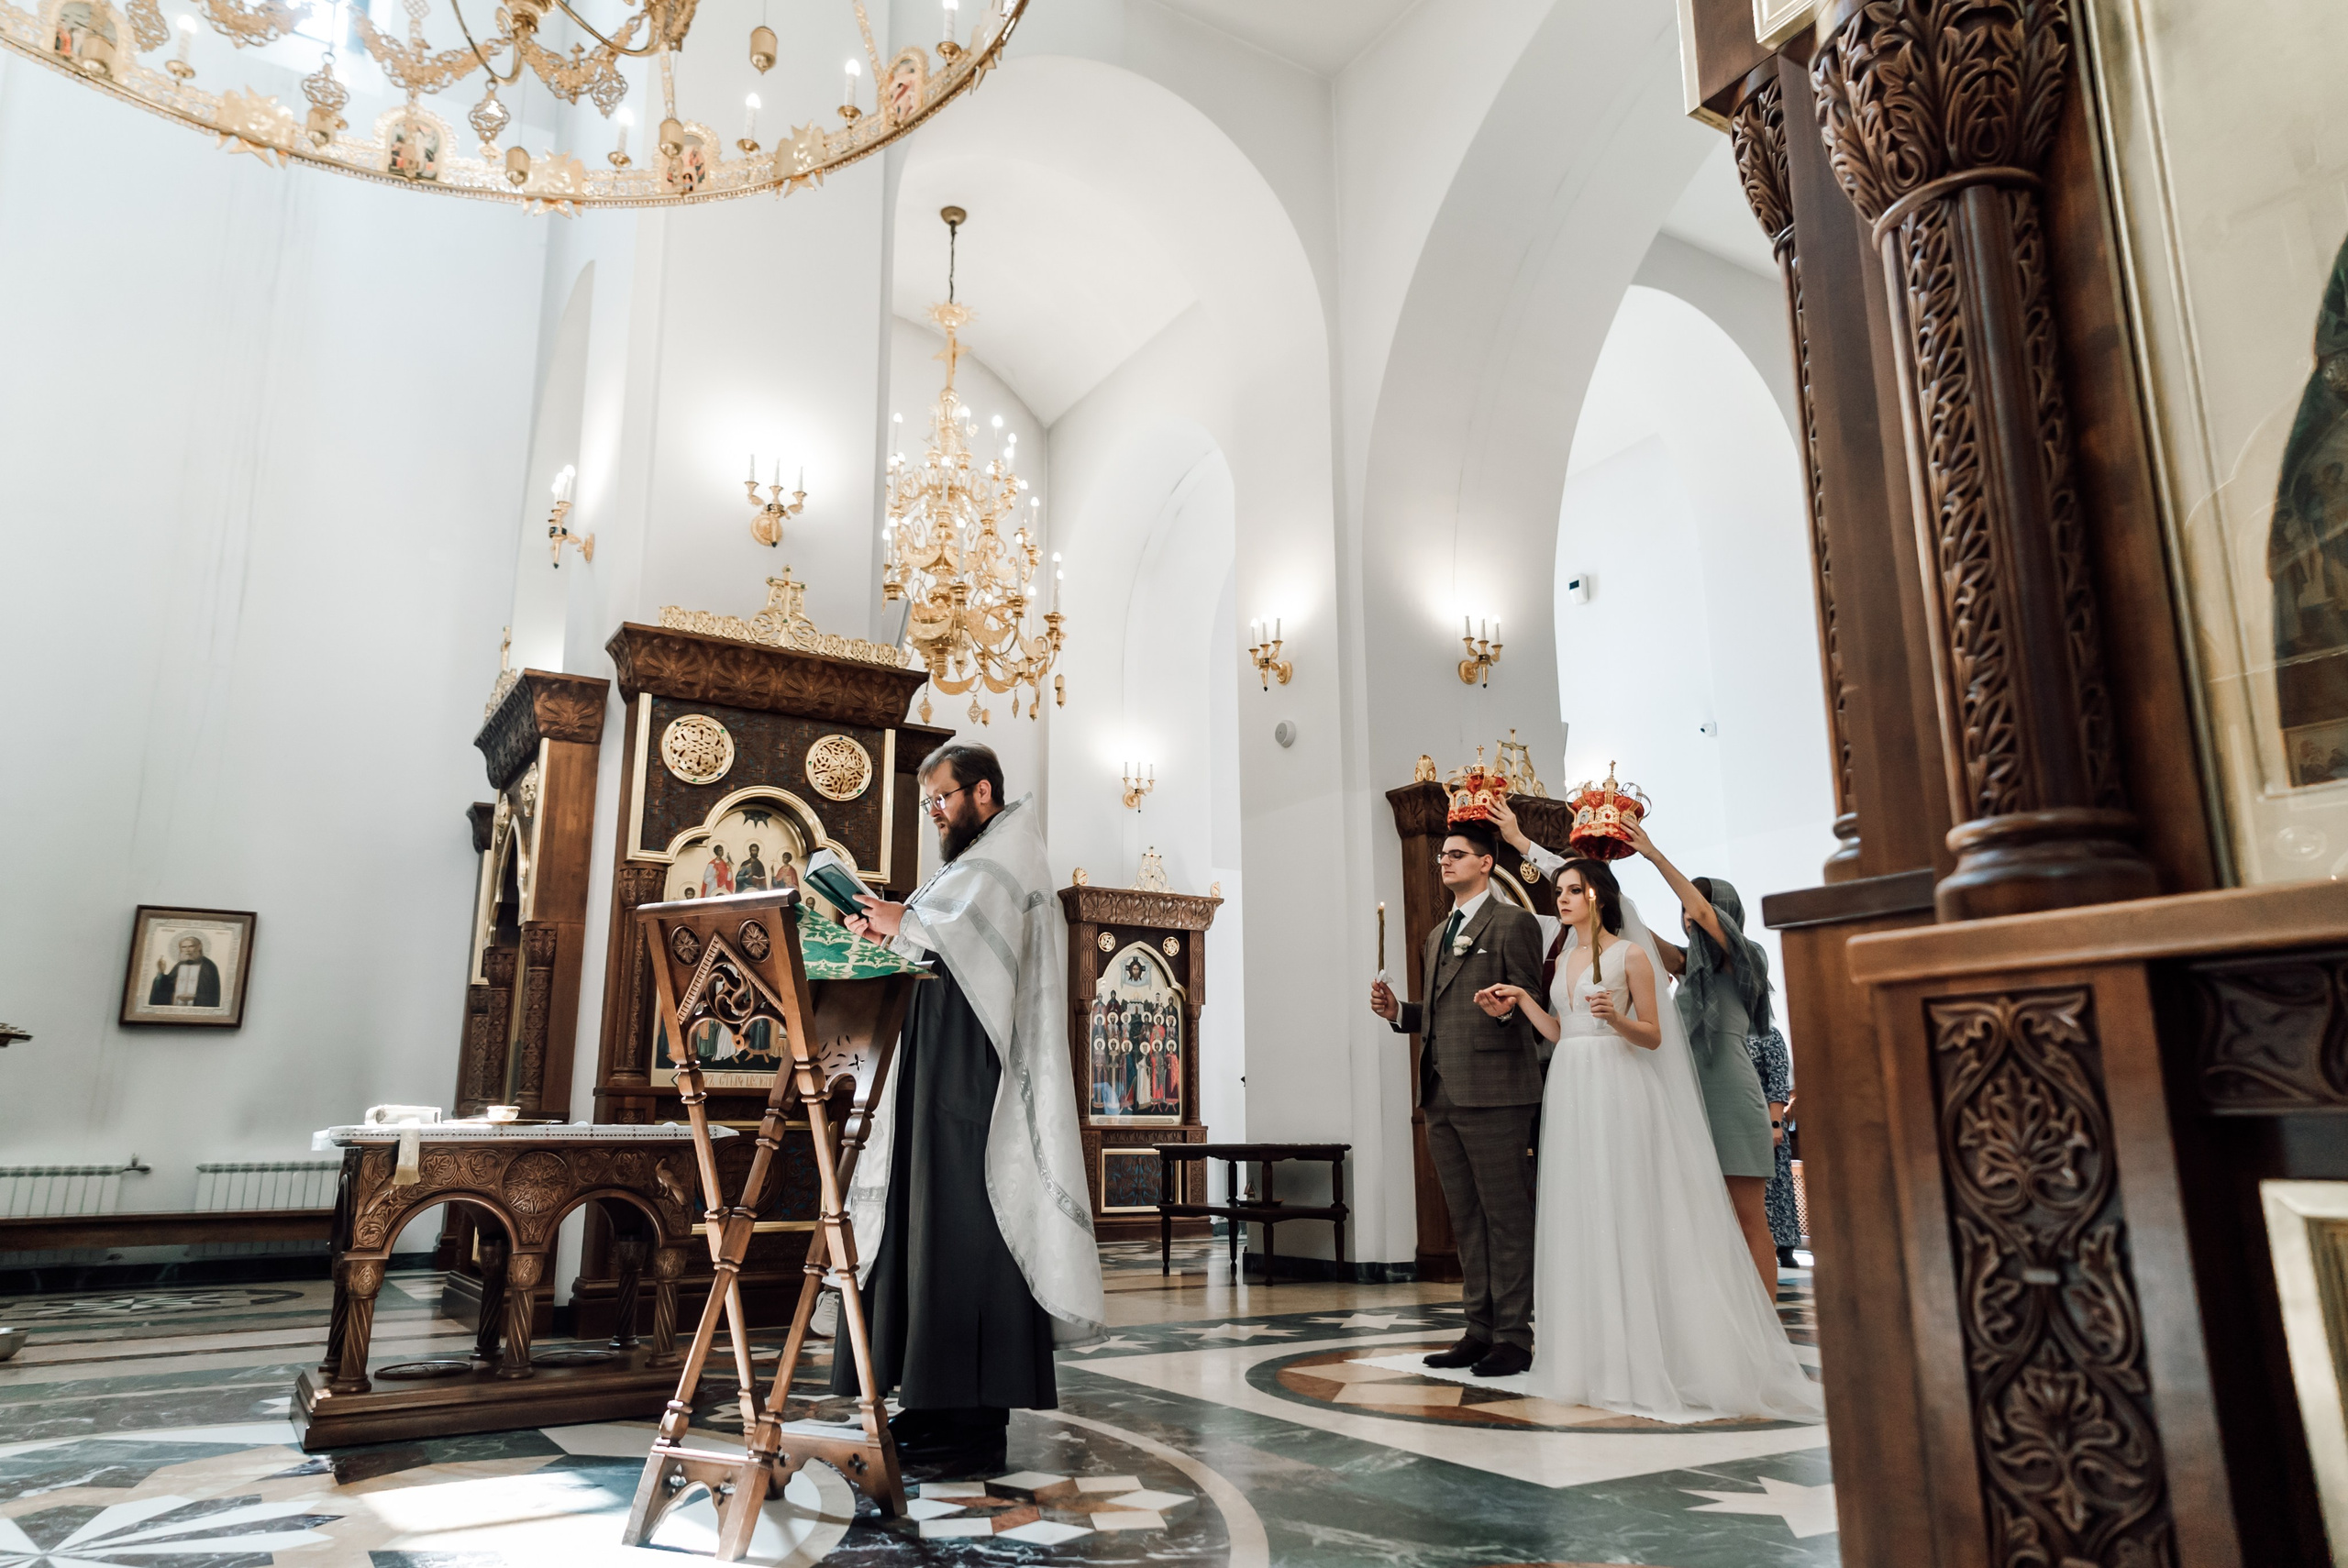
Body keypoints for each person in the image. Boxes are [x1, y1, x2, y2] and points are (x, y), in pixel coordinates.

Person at [1472, 856, 1822, 1422]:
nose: (1560, 899)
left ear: (1599, 898)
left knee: (1634, 1208)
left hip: (1619, 1084)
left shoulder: (1642, 957)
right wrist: (1520, 1000)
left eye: (1572, 890)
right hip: (1571, 1088)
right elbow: (1563, 1033)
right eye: (1558, 890)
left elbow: (1653, 1037)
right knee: (1583, 1211)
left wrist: (1616, 1020)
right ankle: (1596, 1355)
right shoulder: (1563, 959)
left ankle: (1674, 1344)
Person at [837, 743, 1105, 1474]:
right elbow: (937, 947)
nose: (935, 813)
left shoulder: (1009, 857)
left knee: (965, 1235)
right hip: (929, 1078)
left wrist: (905, 922)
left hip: (975, 1086)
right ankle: (927, 1404)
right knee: (924, 1232)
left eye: (942, 798)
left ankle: (971, 1422)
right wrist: (887, 932)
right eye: (928, 802)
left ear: (982, 791)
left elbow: (971, 945)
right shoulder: (966, 864)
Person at [1368, 817, 1545, 1378]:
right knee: (1467, 1219)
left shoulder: (1513, 923)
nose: (1444, 861)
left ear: (1486, 862)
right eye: (1442, 854)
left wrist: (1507, 1010)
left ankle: (1515, 1336)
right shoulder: (1435, 934)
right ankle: (1479, 1328)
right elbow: (1443, 1015)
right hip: (1442, 1093)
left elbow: (1534, 1007)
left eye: (1457, 854)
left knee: (1507, 1218)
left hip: (1497, 1093)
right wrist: (1401, 1014)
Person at [1746, 1026, 1802, 1267]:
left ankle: (1784, 1246)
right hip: (1736, 1118)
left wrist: (1775, 1123)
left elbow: (1779, 1082)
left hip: (1767, 1117)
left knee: (1776, 1186)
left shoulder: (1768, 1033)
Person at [149, 933, 222, 1008]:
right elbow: (167, 987)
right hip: (177, 1006)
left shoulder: (208, 966)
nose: (187, 950)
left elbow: (211, 993)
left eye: (191, 946)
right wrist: (161, 972)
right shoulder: (179, 965)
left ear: (199, 947)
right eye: (184, 947)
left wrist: (194, 997)